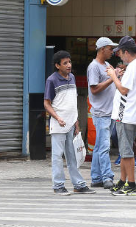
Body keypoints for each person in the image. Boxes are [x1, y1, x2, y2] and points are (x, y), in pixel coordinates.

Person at [44, 50, 95, 196]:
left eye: (69, 62)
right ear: (57, 65)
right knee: (57, 156)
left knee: (72, 156)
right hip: (58, 124)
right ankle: (58, 185)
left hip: (71, 124)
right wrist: (57, 117)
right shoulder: (52, 80)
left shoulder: (72, 77)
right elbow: (47, 103)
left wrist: (76, 121)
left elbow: (72, 102)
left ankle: (78, 184)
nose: (69, 65)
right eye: (65, 63)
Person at [107, 36, 136, 196]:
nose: (119, 56)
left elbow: (124, 90)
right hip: (131, 114)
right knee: (124, 151)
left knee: (126, 152)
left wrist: (113, 76)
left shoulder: (133, 66)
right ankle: (123, 181)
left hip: (126, 115)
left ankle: (131, 184)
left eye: (120, 53)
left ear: (125, 52)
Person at [87, 37, 118, 189]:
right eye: (110, 49)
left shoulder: (107, 65)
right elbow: (94, 89)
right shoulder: (94, 67)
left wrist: (116, 74)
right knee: (104, 146)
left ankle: (96, 177)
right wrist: (112, 78)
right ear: (102, 49)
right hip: (101, 112)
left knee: (100, 146)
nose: (112, 51)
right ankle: (107, 177)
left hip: (109, 111)